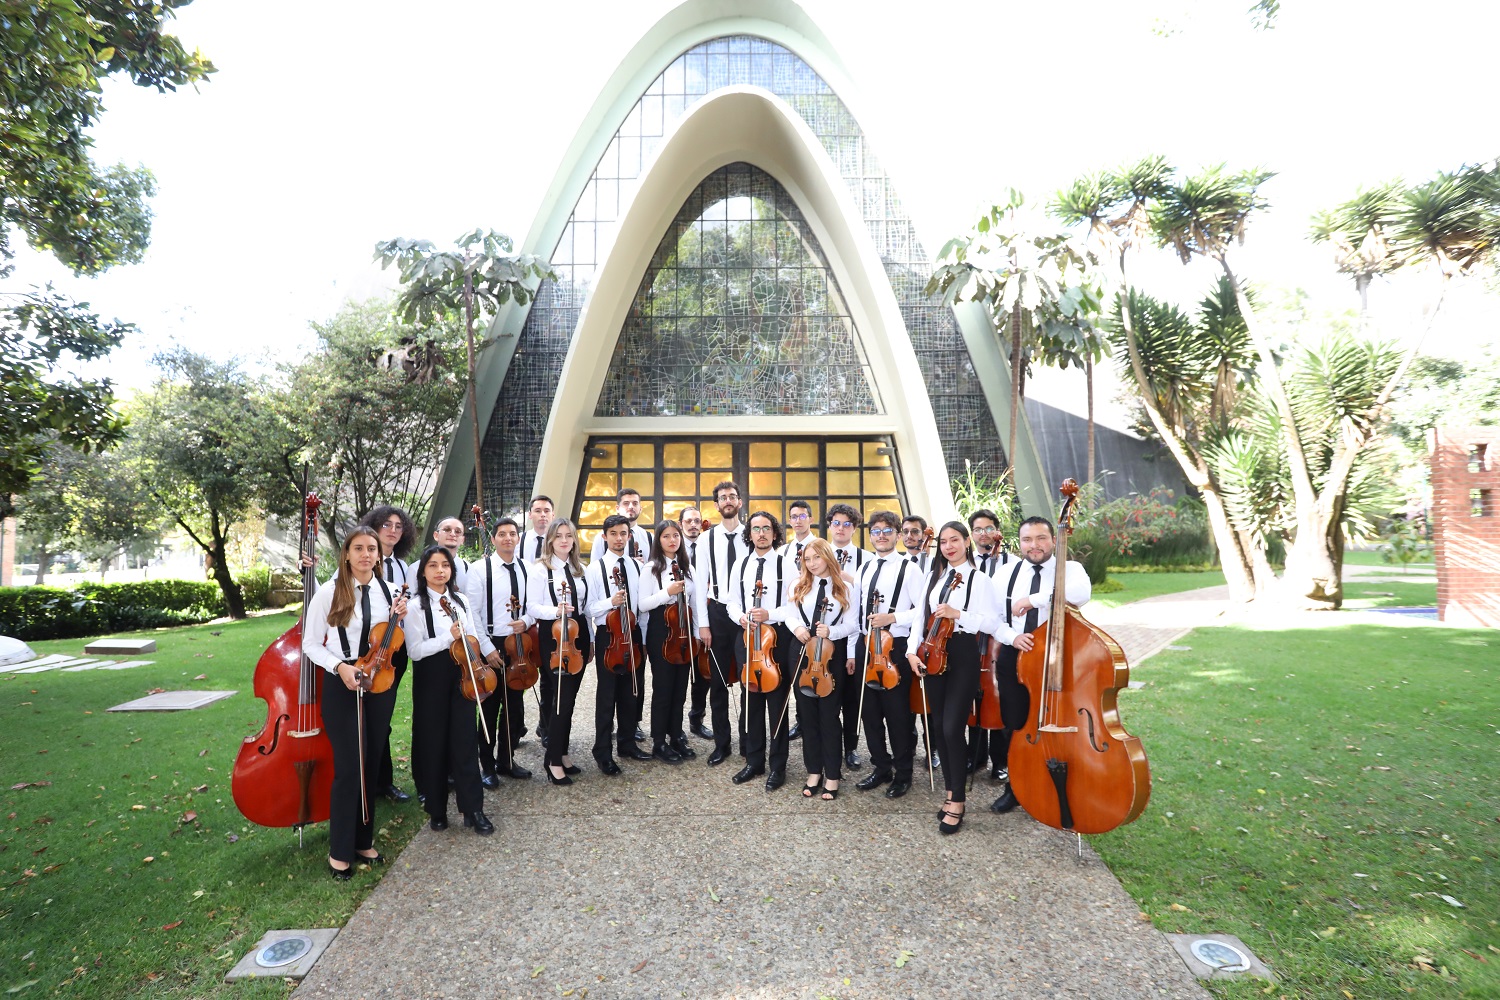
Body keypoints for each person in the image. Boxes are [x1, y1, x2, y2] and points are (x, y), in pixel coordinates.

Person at [302, 527, 409, 879]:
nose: (365, 554)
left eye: (371, 549)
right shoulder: (329, 592)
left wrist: (402, 616)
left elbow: (397, 641)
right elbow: (310, 644)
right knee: (350, 768)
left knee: (371, 762)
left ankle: (363, 841)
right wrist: (340, 667)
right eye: (358, 548)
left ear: (379, 555)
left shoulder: (391, 593)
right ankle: (339, 851)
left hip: (379, 684)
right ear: (346, 554)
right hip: (342, 684)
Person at [987, 514, 1092, 814]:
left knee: (1059, 724)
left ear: (1055, 540)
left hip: (1059, 657)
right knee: (1015, 725)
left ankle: (1060, 786)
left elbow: (1080, 595)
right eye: (1027, 539)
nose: (1034, 545)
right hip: (1015, 655)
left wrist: (1036, 600)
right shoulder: (1005, 573)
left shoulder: (1070, 569)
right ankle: (1016, 789)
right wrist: (1010, 637)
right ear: (1019, 543)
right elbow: (993, 618)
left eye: (1041, 538)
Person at [908, 521, 998, 835]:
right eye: (944, 541)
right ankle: (949, 792)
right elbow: (920, 616)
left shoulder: (979, 579)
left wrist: (959, 615)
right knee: (936, 727)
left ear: (966, 542)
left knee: (951, 727)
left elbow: (990, 622)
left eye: (955, 540)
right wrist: (911, 652)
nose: (948, 546)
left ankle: (958, 801)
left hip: (961, 653)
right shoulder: (935, 577)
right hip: (932, 653)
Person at [404, 545, 493, 835]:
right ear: (423, 571)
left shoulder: (461, 600)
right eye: (433, 565)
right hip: (431, 679)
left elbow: (471, 636)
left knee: (465, 742)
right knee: (434, 745)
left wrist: (470, 650)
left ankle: (474, 809)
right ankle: (437, 810)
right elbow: (415, 651)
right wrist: (447, 638)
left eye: (445, 565)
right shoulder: (416, 606)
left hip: (462, 675)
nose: (440, 570)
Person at [781, 537, 857, 801]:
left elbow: (853, 624)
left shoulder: (845, 586)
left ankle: (833, 775)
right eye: (807, 559)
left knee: (828, 716)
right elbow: (789, 614)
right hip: (801, 653)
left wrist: (832, 631)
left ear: (828, 557)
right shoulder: (798, 584)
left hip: (830, 656)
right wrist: (798, 628)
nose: (812, 564)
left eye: (817, 557)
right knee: (807, 715)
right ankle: (814, 771)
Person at [852, 510, 920, 799]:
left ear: (898, 535)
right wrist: (851, 651)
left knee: (897, 715)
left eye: (887, 530)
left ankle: (903, 774)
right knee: (870, 714)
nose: (881, 535)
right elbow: (855, 611)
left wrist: (893, 618)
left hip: (896, 648)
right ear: (870, 536)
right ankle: (881, 767)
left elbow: (922, 611)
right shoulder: (864, 568)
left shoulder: (910, 568)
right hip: (866, 646)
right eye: (876, 531)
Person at [464, 516, 534, 787]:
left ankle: (507, 760)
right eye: (502, 534)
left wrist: (526, 621)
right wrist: (487, 649)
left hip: (518, 646)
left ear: (518, 538)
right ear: (493, 540)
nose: (507, 538)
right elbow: (473, 613)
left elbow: (534, 605)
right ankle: (487, 766)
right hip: (491, 643)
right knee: (489, 709)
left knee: (514, 708)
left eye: (512, 533)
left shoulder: (527, 568)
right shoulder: (480, 569)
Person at [725, 511, 791, 791]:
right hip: (747, 638)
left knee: (777, 705)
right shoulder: (740, 565)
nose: (761, 533)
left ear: (774, 533)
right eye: (756, 529)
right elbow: (731, 602)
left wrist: (770, 613)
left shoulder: (787, 565)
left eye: (766, 528)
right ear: (749, 534)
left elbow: (795, 605)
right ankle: (754, 761)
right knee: (751, 700)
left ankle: (778, 766)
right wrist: (741, 617)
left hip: (776, 639)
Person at [527, 518, 593, 785]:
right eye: (559, 536)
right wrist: (555, 610)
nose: (564, 540)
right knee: (560, 700)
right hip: (554, 638)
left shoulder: (581, 569)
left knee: (571, 699)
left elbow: (586, 608)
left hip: (578, 637)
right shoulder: (540, 570)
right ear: (550, 540)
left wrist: (591, 643)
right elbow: (532, 607)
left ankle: (562, 752)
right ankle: (552, 761)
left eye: (569, 536)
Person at [360, 505, 417, 804]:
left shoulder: (404, 568)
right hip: (367, 648)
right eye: (386, 525)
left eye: (398, 526)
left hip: (394, 649)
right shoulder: (362, 561)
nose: (393, 530)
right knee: (367, 718)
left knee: (384, 716)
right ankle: (367, 782)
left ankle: (382, 782)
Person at [586, 514, 650, 775]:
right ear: (605, 537)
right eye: (613, 533)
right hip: (608, 636)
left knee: (630, 692)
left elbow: (640, 607)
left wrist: (642, 640)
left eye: (623, 533)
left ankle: (627, 743)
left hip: (632, 633)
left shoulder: (637, 567)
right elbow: (588, 608)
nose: (619, 538)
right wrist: (610, 603)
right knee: (607, 695)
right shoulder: (595, 568)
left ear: (629, 536)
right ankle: (602, 752)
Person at [639, 518, 699, 764]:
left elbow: (694, 604)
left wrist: (696, 635)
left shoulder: (687, 566)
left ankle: (676, 735)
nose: (672, 540)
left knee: (680, 689)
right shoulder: (651, 568)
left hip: (684, 632)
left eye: (676, 535)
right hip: (661, 633)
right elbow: (643, 604)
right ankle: (659, 742)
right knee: (663, 689)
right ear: (658, 540)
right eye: (666, 536)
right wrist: (667, 593)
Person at [693, 480, 745, 767]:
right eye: (722, 497)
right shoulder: (705, 540)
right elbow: (700, 584)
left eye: (732, 497)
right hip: (718, 613)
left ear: (739, 502)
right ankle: (721, 744)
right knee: (718, 681)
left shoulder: (751, 535)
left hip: (745, 616)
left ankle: (750, 740)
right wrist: (703, 625)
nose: (727, 501)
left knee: (751, 678)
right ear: (716, 505)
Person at [825, 503, 870, 770]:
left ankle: (851, 747)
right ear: (829, 525)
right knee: (826, 694)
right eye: (836, 523)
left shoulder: (867, 559)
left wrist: (849, 579)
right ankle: (827, 744)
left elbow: (866, 601)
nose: (841, 528)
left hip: (852, 638)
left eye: (847, 524)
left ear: (854, 528)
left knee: (852, 699)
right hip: (825, 638)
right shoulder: (817, 554)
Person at [967, 508, 1011, 778]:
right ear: (971, 535)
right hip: (973, 635)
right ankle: (976, 757)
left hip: (1000, 638)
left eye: (988, 528)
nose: (983, 534)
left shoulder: (1012, 562)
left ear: (997, 532)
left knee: (1000, 697)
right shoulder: (966, 562)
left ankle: (1001, 761)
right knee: (973, 696)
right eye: (977, 529)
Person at [776, 499, 817, 741]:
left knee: (809, 674)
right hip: (788, 619)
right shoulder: (783, 551)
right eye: (794, 516)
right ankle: (796, 720)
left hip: (812, 620)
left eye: (803, 516)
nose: (798, 520)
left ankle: (806, 721)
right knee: (791, 674)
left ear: (810, 519)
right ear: (789, 521)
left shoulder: (821, 547)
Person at [678, 505, 713, 743]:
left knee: (704, 674)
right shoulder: (672, 547)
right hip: (678, 621)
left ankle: (696, 718)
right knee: (679, 675)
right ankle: (674, 725)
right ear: (681, 524)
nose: (693, 525)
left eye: (696, 521)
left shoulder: (708, 546)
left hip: (705, 617)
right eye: (688, 521)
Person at [589, 488, 652, 564]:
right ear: (617, 509)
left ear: (640, 509)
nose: (631, 507)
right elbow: (595, 568)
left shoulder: (650, 538)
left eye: (635, 503)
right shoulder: (602, 537)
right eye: (626, 503)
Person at [412, 516, 470, 591]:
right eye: (447, 529)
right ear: (436, 535)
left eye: (457, 531)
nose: (452, 534)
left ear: (462, 540)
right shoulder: (416, 568)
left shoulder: (469, 569)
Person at [520, 495, 554, 566]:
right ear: (530, 514)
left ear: (553, 515)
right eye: (538, 511)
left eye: (546, 511)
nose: (543, 514)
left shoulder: (559, 540)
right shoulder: (519, 540)